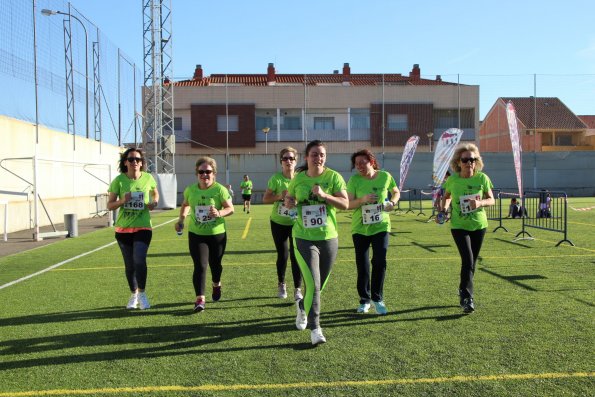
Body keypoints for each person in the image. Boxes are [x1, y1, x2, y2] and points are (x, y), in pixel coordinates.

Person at [284, 140, 348, 345]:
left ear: (325, 157)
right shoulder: (299, 179)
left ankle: (303, 307)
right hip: (303, 237)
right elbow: (289, 201)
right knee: (312, 283)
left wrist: (325, 195)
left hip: (328, 237)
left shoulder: (333, 177)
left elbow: (345, 204)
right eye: (314, 154)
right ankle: (316, 328)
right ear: (306, 157)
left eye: (321, 154)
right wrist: (290, 202)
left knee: (320, 285)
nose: (318, 158)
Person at [437, 143, 495, 314]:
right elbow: (446, 197)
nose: (469, 163)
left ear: (476, 161)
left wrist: (480, 202)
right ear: (458, 162)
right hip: (459, 226)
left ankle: (463, 289)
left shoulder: (482, 178)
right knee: (468, 260)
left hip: (478, 225)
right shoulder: (453, 180)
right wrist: (443, 210)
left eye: (472, 159)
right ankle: (467, 298)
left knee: (472, 263)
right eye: (465, 160)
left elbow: (491, 199)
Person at [175, 157, 234, 312]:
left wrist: (219, 212)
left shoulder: (220, 190)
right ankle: (200, 299)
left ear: (213, 173)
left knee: (216, 265)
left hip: (217, 234)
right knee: (200, 265)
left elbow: (230, 209)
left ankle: (216, 283)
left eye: (208, 172)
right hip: (196, 234)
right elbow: (185, 204)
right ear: (197, 174)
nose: (204, 175)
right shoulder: (191, 190)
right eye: (201, 172)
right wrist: (181, 220)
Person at [347, 149, 400, 315]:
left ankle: (377, 298)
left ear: (371, 161)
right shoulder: (354, 180)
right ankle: (364, 300)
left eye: (363, 162)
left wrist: (392, 202)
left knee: (379, 261)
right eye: (357, 164)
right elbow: (348, 204)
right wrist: (362, 200)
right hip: (360, 227)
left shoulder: (385, 176)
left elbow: (396, 191)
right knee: (362, 265)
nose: (360, 166)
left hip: (381, 225)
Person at [107, 148, 159, 310]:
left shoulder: (148, 178)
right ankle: (134, 294)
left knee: (139, 260)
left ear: (142, 163)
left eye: (138, 159)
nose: (134, 162)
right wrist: (123, 200)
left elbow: (155, 194)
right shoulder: (119, 181)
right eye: (131, 159)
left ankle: (142, 293)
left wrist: (153, 202)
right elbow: (109, 205)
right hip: (123, 230)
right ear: (125, 163)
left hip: (143, 227)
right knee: (130, 265)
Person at [263, 147, 303, 301]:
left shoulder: (301, 178)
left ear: (296, 161)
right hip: (278, 222)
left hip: (297, 222)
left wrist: (296, 200)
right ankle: (281, 283)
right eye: (285, 159)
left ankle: (298, 288)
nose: (288, 161)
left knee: (296, 255)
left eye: (291, 158)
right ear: (281, 162)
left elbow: (305, 198)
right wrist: (280, 196)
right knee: (283, 254)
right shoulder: (276, 179)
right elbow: (266, 199)